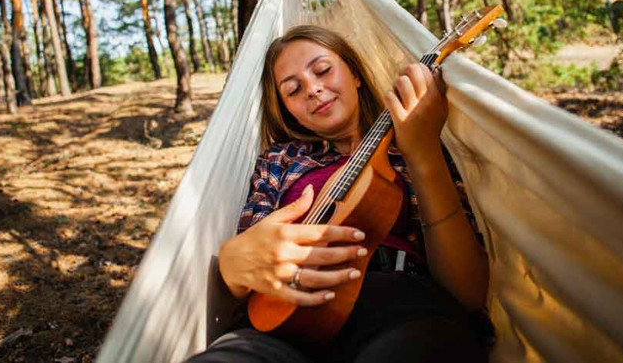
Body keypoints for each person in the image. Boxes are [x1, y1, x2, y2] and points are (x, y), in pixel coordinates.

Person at [189, 26, 490, 362]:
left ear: (355, 74)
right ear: (286, 109)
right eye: (293, 89)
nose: (313, 89)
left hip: (400, 306)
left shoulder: (416, 139)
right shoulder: (280, 160)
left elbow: (469, 293)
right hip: (282, 321)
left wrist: (423, 153)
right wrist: (231, 262)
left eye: (322, 70)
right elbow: (250, 259)